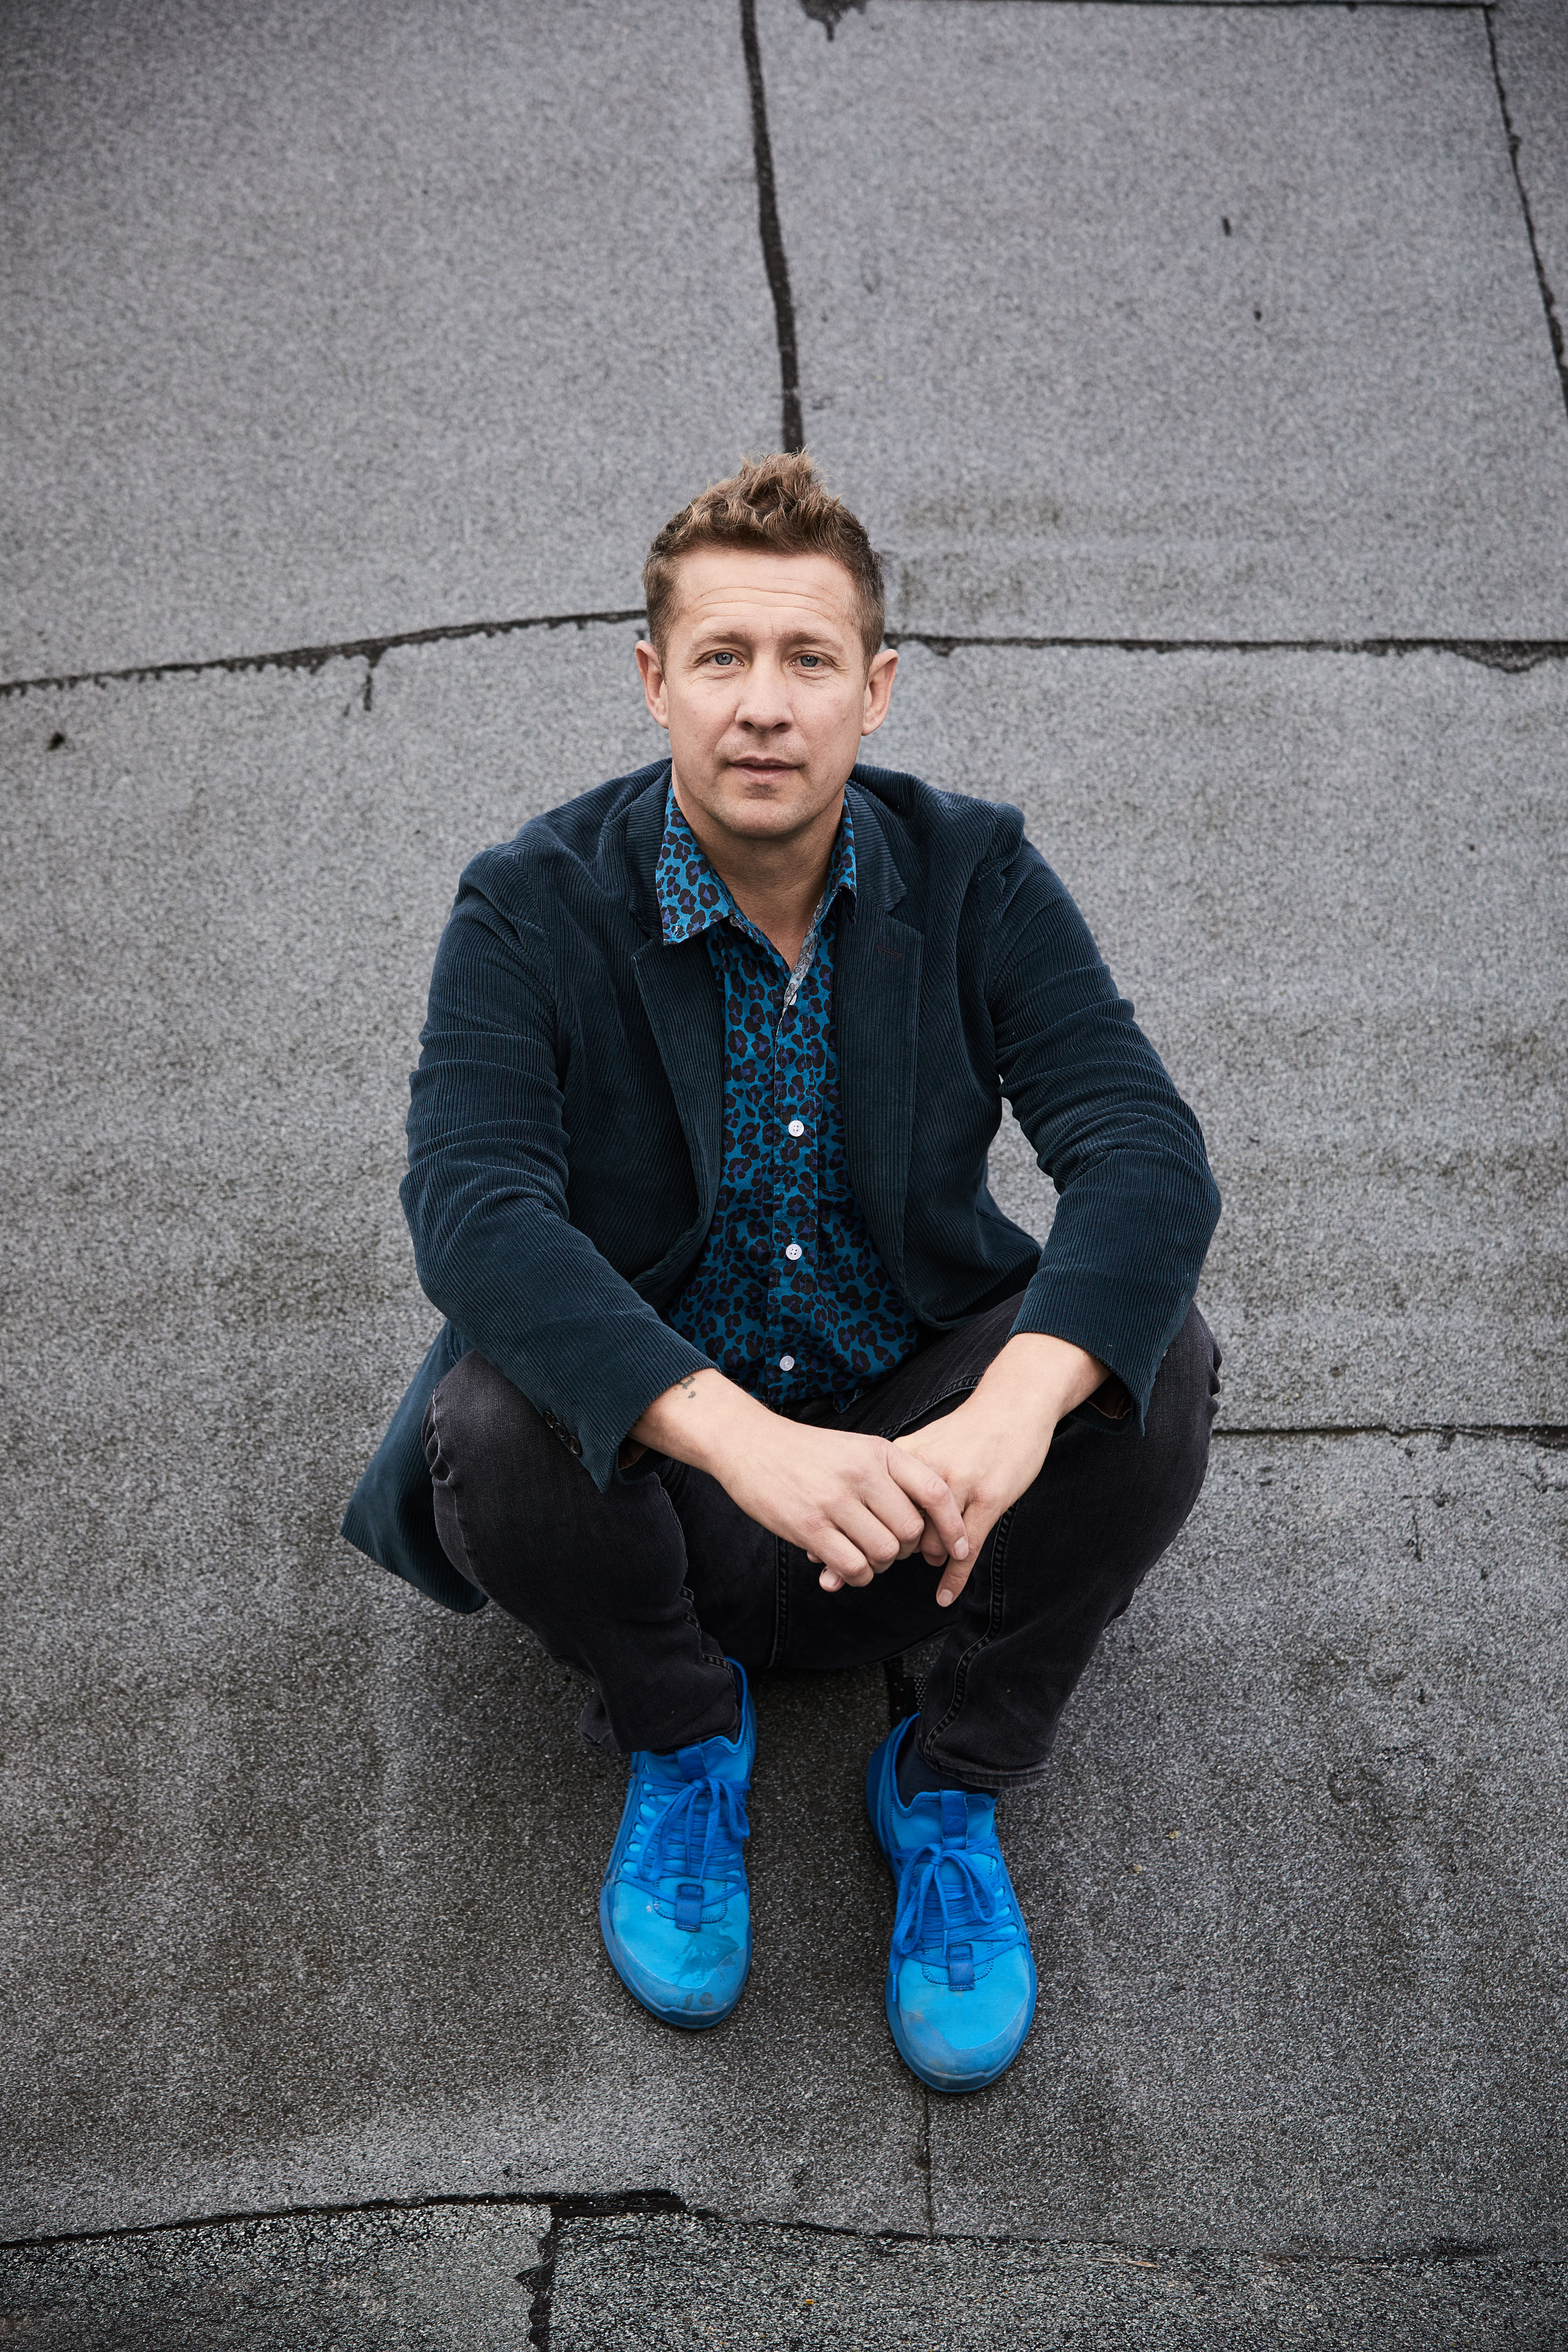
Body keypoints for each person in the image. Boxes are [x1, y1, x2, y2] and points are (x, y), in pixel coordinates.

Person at [342, 452, 1221, 2095]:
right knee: (494, 1410)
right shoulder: (527, 905)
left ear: (873, 691)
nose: (765, 705)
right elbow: (471, 1209)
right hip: (665, 1486)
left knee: (1147, 1361)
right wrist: (744, 1440)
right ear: (654, 679)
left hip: (913, 1478)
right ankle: (682, 1738)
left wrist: (1008, 1417)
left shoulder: (979, 876)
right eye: (725, 658)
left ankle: (947, 1781)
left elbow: (1143, 1154)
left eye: (808, 660)